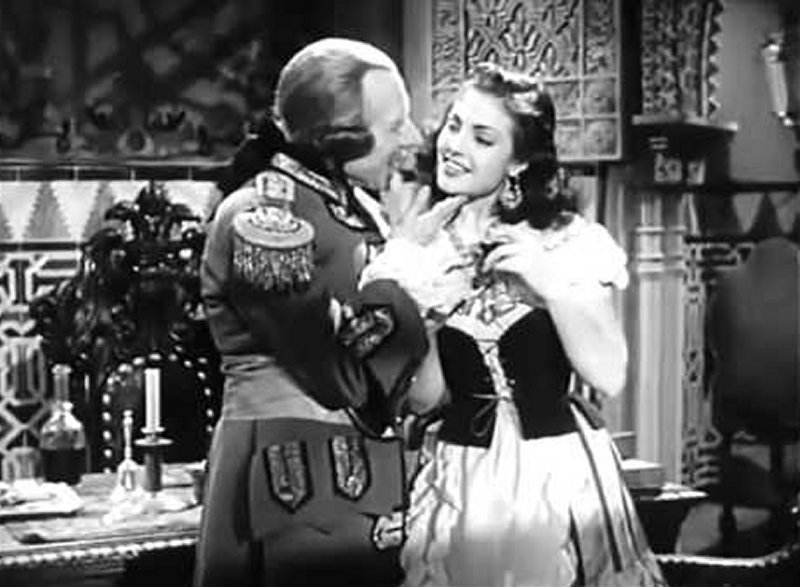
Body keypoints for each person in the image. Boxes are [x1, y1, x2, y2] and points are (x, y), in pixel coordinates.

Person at [364, 62, 668, 586]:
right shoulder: (425, 246)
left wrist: (549, 284)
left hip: (550, 472)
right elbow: (427, 398)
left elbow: (609, 374)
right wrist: (422, 304)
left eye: (482, 138)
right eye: (454, 126)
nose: (455, 146)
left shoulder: (566, 241)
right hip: (461, 474)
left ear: (518, 161)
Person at [193, 38, 463, 587]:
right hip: (291, 473)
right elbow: (337, 375)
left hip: (363, 473)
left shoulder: (351, 208)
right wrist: (403, 269)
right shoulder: (265, 222)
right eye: (394, 126)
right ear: (335, 137)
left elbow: (406, 382)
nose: (411, 139)